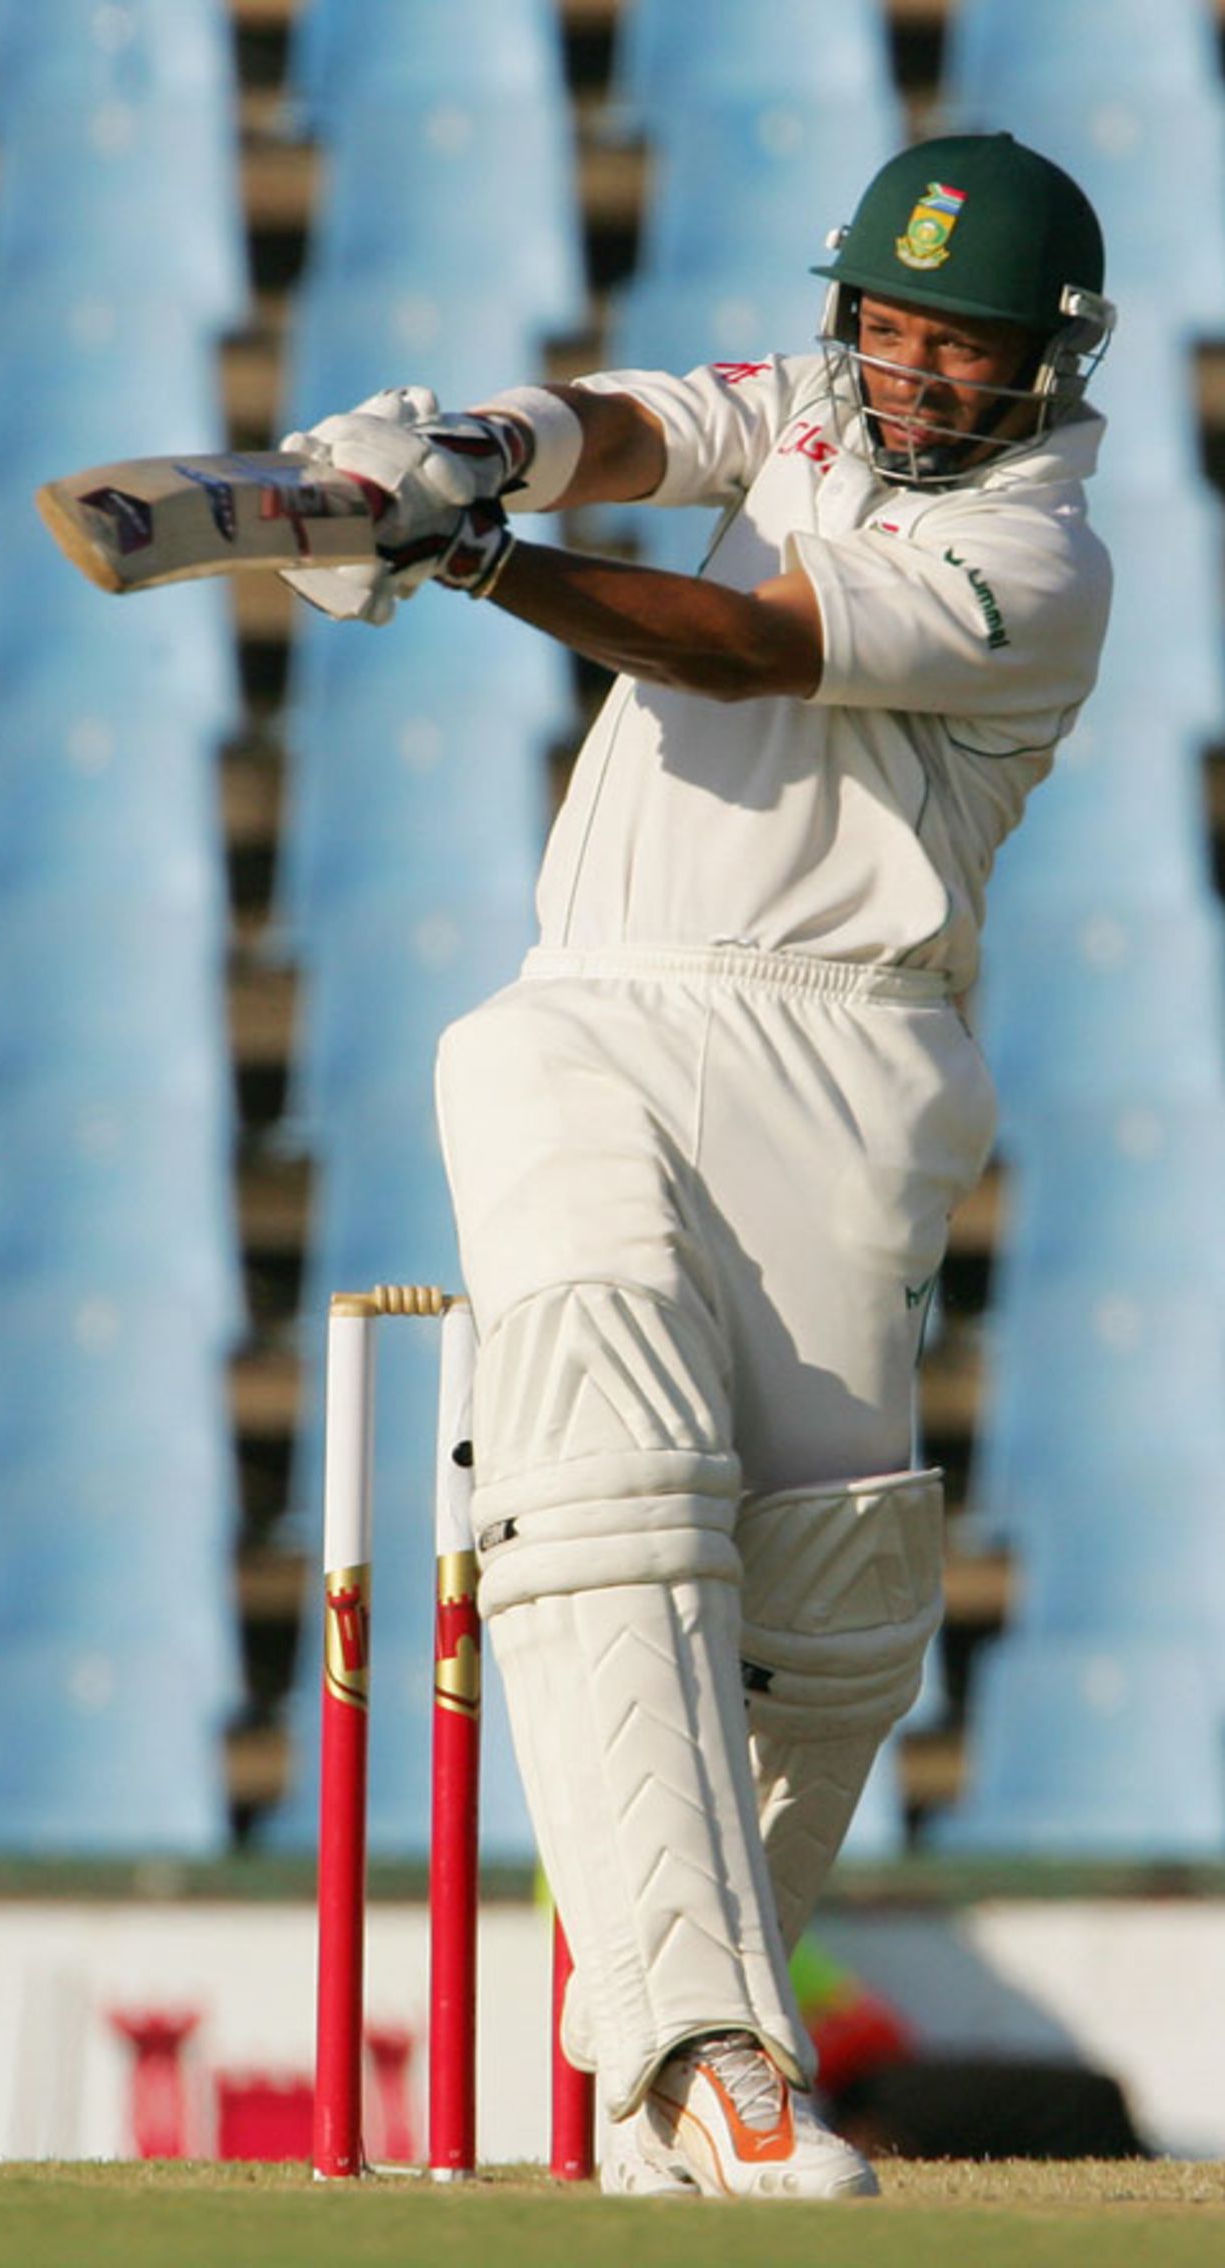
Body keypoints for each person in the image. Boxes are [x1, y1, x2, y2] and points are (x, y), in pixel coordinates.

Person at [283, 132, 1114, 2199]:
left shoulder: (1038, 565)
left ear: (1046, 368)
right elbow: (649, 423)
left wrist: (461, 560)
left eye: (962, 348)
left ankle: (660, 2088)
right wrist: (467, 444)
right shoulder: (810, 408)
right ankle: (717, 2050)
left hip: (851, 1061)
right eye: (890, 327)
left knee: (834, 1621)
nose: (911, 374)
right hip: (594, 1005)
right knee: (602, 1461)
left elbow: (740, 646)